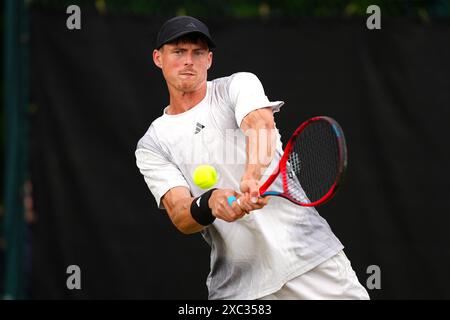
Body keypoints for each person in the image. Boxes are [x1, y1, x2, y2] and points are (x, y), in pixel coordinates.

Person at [135, 15, 369, 300]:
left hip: (310, 262)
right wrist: (210, 202)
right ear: (158, 58)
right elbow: (181, 215)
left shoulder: (238, 85)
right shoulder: (152, 144)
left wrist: (251, 176)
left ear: (209, 60)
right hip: (239, 287)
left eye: (198, 52)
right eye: (179, 52)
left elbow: (260, 125)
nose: (189, 61)